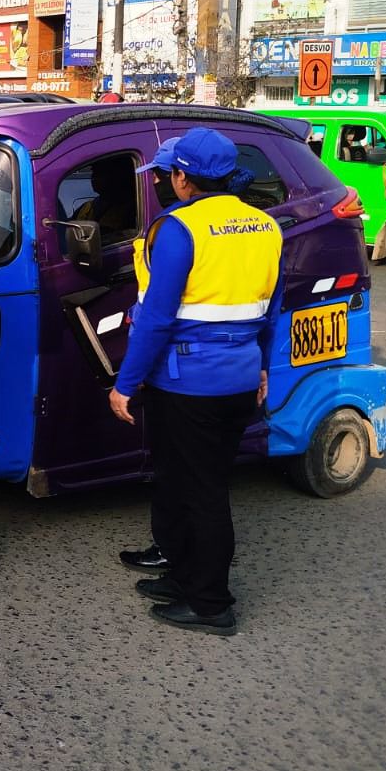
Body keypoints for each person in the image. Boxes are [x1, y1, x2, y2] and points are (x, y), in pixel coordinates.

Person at [109, 128, 283, 636]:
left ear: (183, 178)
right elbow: (273, 310)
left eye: (167, 174)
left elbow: (156, 317)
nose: (165, 182)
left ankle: (211, 604)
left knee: (201, 493)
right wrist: (264, 367)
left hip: (187, 382)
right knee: (188, 483)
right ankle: (184, 577)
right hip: (239, 375)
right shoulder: (264, 227)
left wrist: (125, 383)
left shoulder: (178, 229)